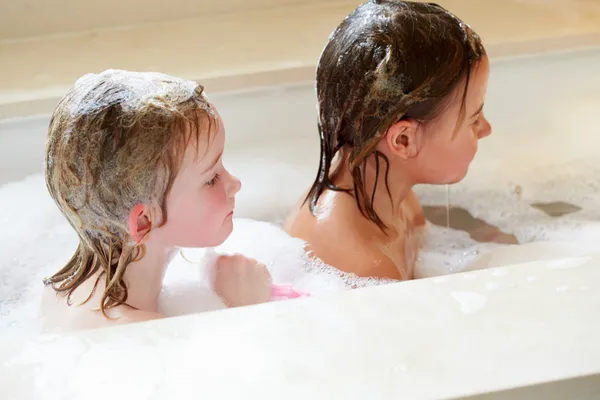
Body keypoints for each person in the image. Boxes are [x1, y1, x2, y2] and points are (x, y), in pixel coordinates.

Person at [41, 69, 301, 332]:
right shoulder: (138, 333)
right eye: (211, 178)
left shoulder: (64, 290)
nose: (235, 184)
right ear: (143, 222)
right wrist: (246, 308)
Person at [285, 0, 492, 280]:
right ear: (404, 140)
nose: (486, 129)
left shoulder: (392, 191)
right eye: (474, 118)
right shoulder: (365, 266)